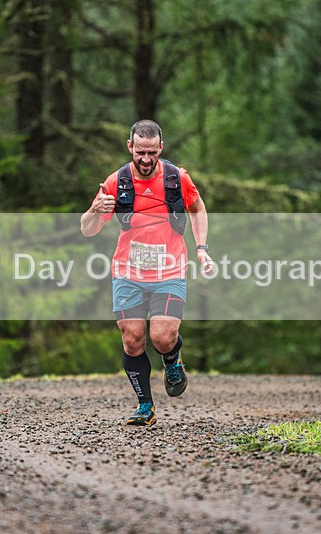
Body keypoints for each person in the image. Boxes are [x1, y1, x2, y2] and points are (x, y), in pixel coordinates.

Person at [80, 120, 213, 426]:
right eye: (140, 151)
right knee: (132, 339)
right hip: (127, 270)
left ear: (160, 149)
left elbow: (198, 209)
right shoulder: (116, 182)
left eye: (151, 152)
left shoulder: (176, 178)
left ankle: (172, 357)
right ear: (130, 147)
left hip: (170, 268)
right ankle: (145, 407)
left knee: (163, 337)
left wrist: (202, 248)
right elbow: (87, 230)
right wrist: (94, 211)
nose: (145, 159)